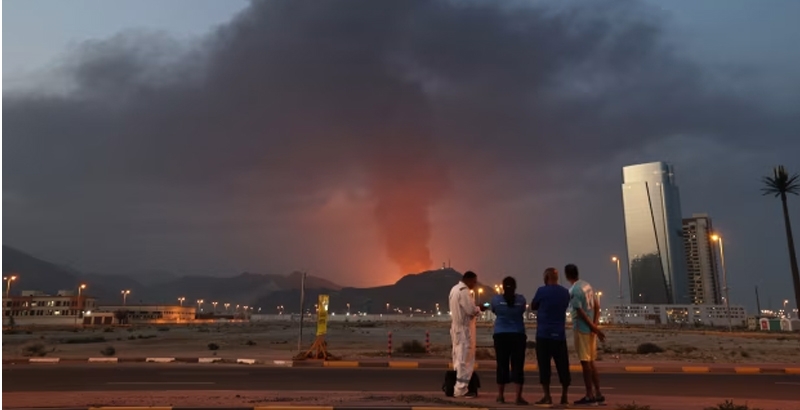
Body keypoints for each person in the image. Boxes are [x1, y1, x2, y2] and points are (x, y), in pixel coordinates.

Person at [565, 263, 606, 405]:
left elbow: (580, 313)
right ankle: (598, 393)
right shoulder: (587, 286)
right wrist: (595, 326)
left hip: (582, 329)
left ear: (567, 275)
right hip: (590, 330)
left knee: (585, 363)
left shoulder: (574, 290)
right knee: (591, 362)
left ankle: (589, 395)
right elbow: (597, 306)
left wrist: (593, 328)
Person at [530, 267, 571, 406]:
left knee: (544, 366)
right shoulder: (565, 292)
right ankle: (564, 396)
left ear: (546, 277)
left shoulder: (541, 291)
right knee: (563, 366)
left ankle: (547, 396)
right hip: (559, 334)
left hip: (544, 334)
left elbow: (533, 306)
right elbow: (565, 305)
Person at [490, 276, 528, 405]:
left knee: (502, 365)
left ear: (502, 286)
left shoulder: (496, 300)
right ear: (515, 287)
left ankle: (501, 396)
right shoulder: (521, 300)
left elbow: (495, 311)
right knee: (518, 365)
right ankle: (518, 397)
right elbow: (522, 310)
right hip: (517, 334)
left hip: (501, 335)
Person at [448, 271, 486, 398]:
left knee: (458, 359)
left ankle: (457, 387)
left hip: (456, 329)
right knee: (466, 360)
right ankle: (461, 389)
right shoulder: (464, 291)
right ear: (469, 280)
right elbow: (470, 310)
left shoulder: (454, 289)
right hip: (464, 330)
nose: (474, 285)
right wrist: (479, 308)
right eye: (474, 282)